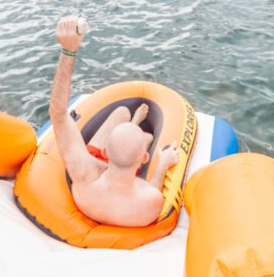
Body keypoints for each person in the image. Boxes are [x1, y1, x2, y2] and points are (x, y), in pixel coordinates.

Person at [49, 16, 180, 227]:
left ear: (107, 153)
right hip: (125, 182)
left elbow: (58, 113)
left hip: (100, 179)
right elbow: (154, 188)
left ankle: (133, 124)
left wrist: (68, 50)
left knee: (122, 114)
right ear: (145, 158)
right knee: (145, 136)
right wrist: (163, 164)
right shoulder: (148, 203)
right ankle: (136, 127)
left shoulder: (83, 175)